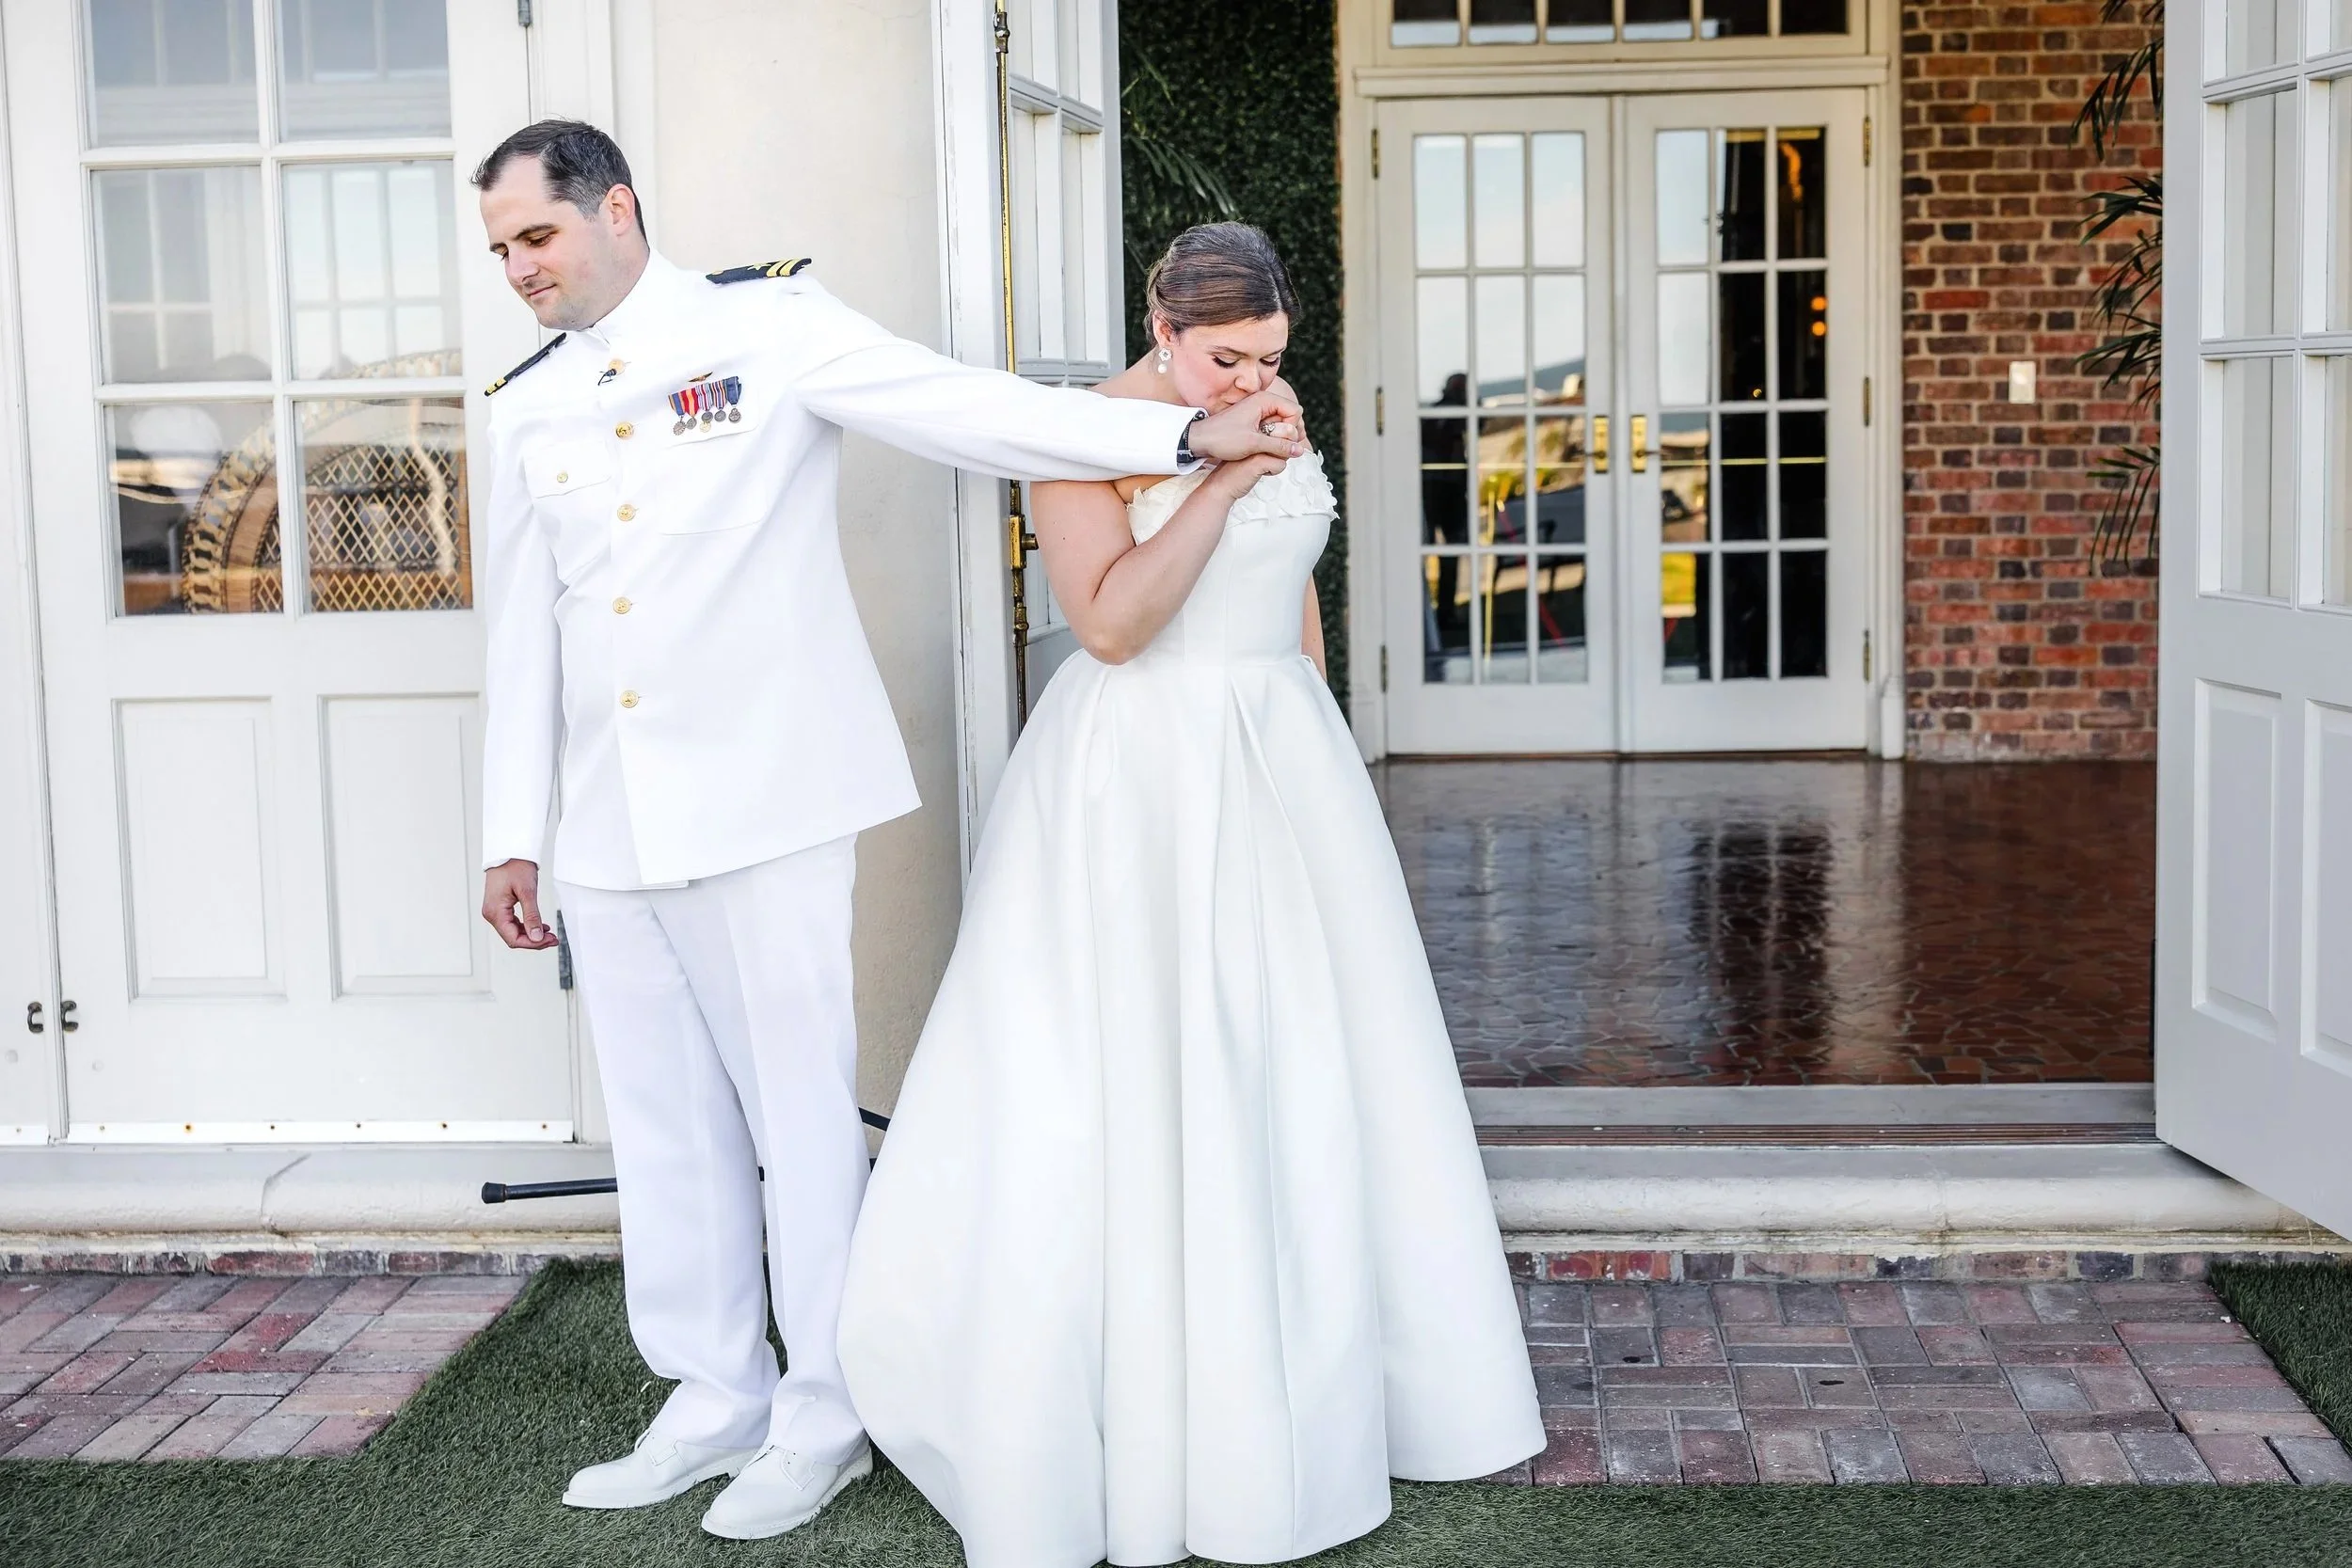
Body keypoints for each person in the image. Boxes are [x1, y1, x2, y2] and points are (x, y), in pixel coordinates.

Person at [470, 123, 1305, 1542]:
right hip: (606, 820)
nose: (517, 271)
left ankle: (824, 1412)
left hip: (768, 794)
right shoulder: (524, 403)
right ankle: (710, 1391)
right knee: (666, 1128)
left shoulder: (768, 325)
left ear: (616, 207)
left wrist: (1175, 433)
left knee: (800, 1121)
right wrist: (513, 833)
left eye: (534, 237)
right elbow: (525, 632)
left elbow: (970, 410)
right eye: (499, 251)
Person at [838, 223, 1544, 1568]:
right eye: (1226, 358)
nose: (1253, 383)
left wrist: (1318, 726)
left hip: (1278, 762)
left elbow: (1297, 587)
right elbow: (1108, 623)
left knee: (1304, 1072)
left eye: (1271, 357)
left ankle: (1349, 1385)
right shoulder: (1081, 433)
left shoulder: (1267, 397)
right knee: (1144, 1076)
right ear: (1163, 331)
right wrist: (1215, 479)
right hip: (1143, 781)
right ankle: (1153, 1421)